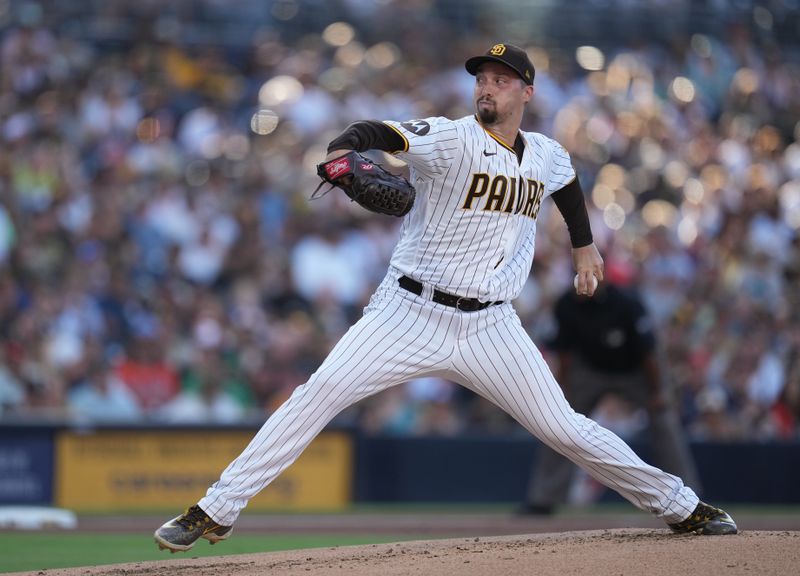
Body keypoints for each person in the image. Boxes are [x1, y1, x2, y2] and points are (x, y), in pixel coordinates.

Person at [154, 42, 737, 552]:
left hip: (490, 325)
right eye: (481, 79)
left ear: (526, 92)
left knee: (564, 428)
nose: (487, 87)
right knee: (319, 392)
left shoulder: (544, 153)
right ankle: (215, 509)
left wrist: (585, 247)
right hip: (408, 311)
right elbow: (382, 133)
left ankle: (681, 506)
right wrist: (343, 148)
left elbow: (566, 185)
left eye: (500, 80)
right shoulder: (452, 138)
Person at [519, 271, 702, 515]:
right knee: (557, 423)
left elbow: (649, 353)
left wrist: (658, 391)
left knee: (664, 421)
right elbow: (564, 353)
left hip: (635, 371)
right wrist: (563, 391)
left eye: (589, 276)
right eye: (577, 275)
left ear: (602, 279)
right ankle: (543, 498)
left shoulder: (626, 302)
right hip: (591, 372)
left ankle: (691, 495)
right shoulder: (566, 303)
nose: (582, 282)